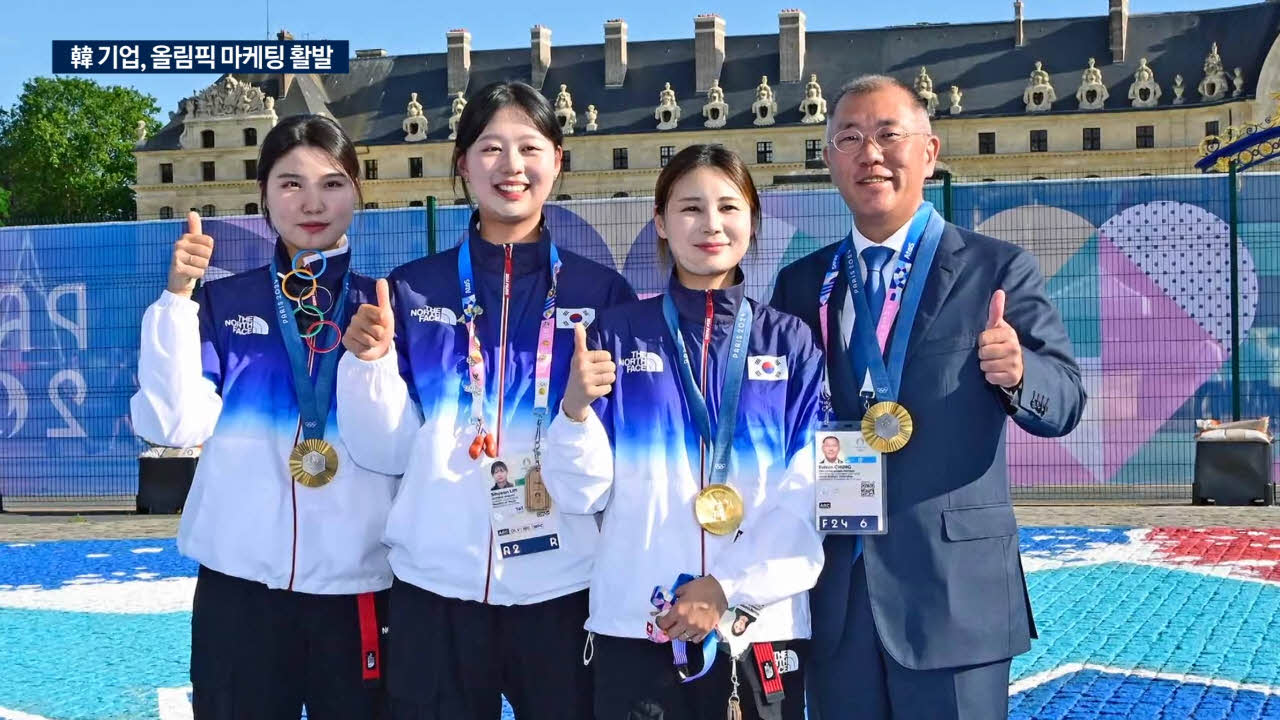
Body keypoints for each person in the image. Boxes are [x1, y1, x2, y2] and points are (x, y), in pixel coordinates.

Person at [770, 74, 1086, 720]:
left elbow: (1068, 396)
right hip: (837, 599)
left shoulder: (995, 269)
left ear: (930, 152)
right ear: (829, 159)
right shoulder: (803, 285)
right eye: (850, 138)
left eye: (889, 135)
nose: (870, 154)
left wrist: (1020, 372)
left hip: (953, 598)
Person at [337, 80, 636, 720]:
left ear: (557, 159)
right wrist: (367, 367)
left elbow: (616, 459)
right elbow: (382, 451)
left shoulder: (603, 294)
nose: (512, 167)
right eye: (491, 148)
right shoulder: (411, 291)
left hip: (564, 587)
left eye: (529, 147)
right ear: (463, 163)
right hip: (436, 587)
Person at [543, 143, 824, 720]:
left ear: (753, 220)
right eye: (690, 208)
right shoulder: (615, 336)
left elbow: (812, 488)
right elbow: (580, 494)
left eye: (729, 207)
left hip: (757, 625)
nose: (712, 225)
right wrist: (573, 412)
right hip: (638, 623)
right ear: (661, 224)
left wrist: (725, 585)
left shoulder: (790, 341)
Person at [130, 114, 394, 719]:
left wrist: (374, 363)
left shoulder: (384, 306)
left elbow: (400, 447)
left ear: (357, 191)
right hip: (239, 587)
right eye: (290, 183)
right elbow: (174, 425)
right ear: (264, 196)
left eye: (332, 183)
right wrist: (176, 300)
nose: (311, 202)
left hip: (353, 588)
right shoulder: (225, 303)